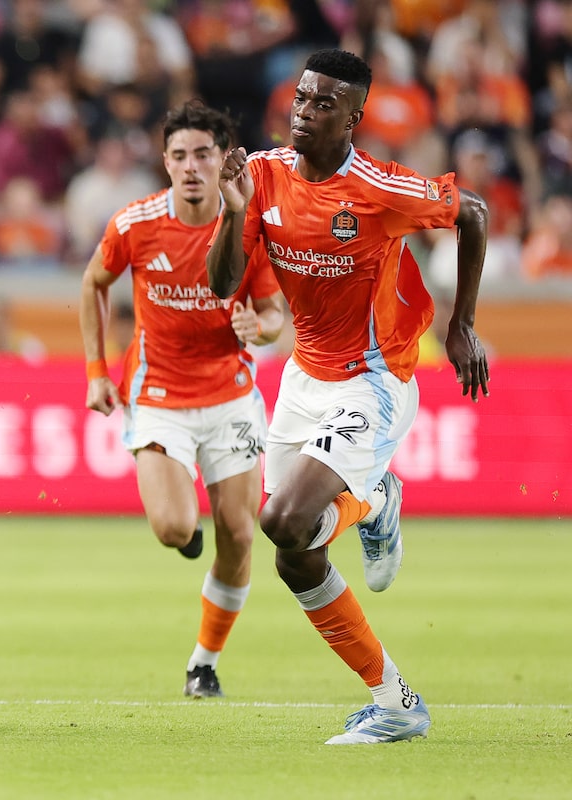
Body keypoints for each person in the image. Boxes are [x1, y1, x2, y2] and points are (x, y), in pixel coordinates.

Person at [206, 49, 490, 743]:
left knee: (282, 518)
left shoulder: (378, 188)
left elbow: (474, 213)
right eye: (302, 98)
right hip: (304, 378)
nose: (304, 112)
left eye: (324, 104)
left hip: (374, 380)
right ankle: (396, 703)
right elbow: (222, 283)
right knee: (293, 552)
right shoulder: (262, 176)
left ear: (354, 118)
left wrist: (461, 326)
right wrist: (231, 211)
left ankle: (374, 500)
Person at [79, 100, 285, 699]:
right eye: (179, 155)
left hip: (229, 395)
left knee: (240, 535)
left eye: (202, 154)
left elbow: (275, 313)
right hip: (159, 393)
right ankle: (188, 534)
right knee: (172, 527)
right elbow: (94, 283)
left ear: (224, 159)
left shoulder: (249, 226)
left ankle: (204, 663)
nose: (191, 166)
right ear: (165, 162)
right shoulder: (135, 223)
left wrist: (260, 328)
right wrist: (96, 372)